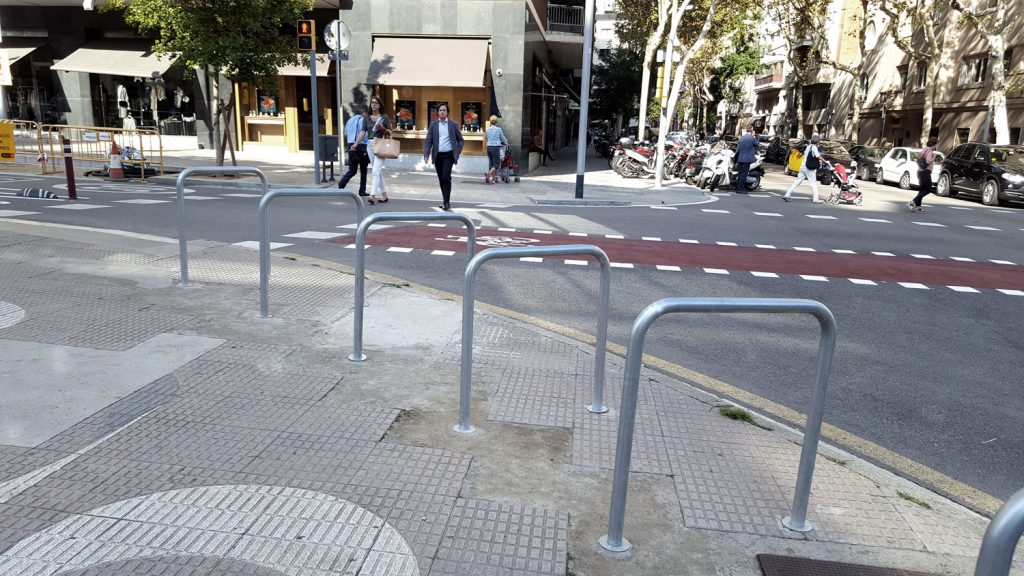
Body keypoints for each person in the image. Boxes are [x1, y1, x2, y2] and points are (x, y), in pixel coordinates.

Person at [423, 102, 464, 211]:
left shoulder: (453, 125)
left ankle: (447, 202)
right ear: (437, 112)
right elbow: (428, 141)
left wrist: (457, 151)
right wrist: (426, 154)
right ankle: (445, 200)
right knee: (441, 179)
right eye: (440, 110)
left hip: (449, 155)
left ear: (447, 112)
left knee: (446, 177)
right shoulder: (433, 125)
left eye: (444, 110)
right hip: (437, 156)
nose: (442, 112)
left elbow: (460, 140)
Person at [364, 96, 391, 205]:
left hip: (380, 144)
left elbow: (389, 132)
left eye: (375, 103)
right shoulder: (367, 117)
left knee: (375, 171)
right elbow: (362, 131)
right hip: (370, 145)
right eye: (372, 103)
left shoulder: (384, 117)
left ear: (379, 105)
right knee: (377, 172)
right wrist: (356, 144)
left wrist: (383, 128)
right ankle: (384, 195)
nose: (373, 105)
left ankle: (372, 195)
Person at [338, 106, 369, 196]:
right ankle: (362, 190)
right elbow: (364, 134)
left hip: (350, 145)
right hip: (360, 145)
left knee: (352, 170)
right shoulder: (362, 120)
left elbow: (346, 134)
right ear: (363, 112)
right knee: (363, 169)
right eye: (366, 112)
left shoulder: (349, 121)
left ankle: (342, 183)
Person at [782, 134, 822, 203]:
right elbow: (818, 156)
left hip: (803, 167)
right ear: (817, 142)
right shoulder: (814, 147)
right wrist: (825, 161)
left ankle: (787, 194)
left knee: (796, 182)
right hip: (809, 169)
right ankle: (815, 199)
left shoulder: (808, 147)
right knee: (813, 184)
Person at [908, 136, 939, 213]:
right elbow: (928, 161)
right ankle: (912, 202)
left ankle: (918, 207)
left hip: (920, 171)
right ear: (934, 144)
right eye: (936, 145)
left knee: (922, 189)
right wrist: (934, 158)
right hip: (926, 172)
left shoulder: (924, 150)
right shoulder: (930, 152)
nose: (936, 146)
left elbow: (919, 158)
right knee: (928, 189)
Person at [484, 115, 508, 184]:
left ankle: (494, 179)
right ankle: (488, 175)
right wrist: (506, 142)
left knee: (491, 164)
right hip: (495, 147)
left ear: (490, 122)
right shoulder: (498, 129)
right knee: (496, 165)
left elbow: (486, 138)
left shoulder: (487, 129)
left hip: (489, 147)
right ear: (496, 122)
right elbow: (503, 138)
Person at [734, 127, 757, 194]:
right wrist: (754, 136)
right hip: (747, 159)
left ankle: (737, 187)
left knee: (740, 174)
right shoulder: (752, 138)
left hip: (740, 158)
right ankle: (741, 189)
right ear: (752, 132)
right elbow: (757, 144)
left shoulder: (742, 138)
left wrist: (736, 158)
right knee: (744, 174)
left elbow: (738, 149)